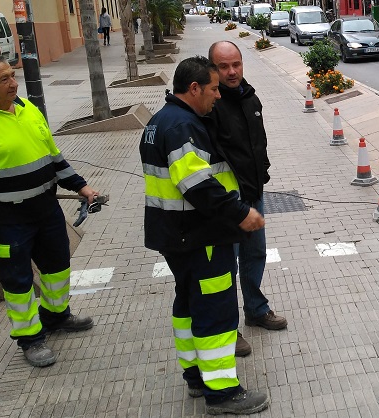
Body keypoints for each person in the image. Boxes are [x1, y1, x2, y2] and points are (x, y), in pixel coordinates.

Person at [139, 56, 269, 415]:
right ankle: (223, 393)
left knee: (188, 304)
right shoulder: (183, 126)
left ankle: (196, 376)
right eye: (213, 88)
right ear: (194, 88)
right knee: (215, 312)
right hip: (201, 237)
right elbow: (197, 184)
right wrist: (241, 213)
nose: (218, 95)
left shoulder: (160, 121)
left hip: (177, 235)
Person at [0, 52, 99, 367]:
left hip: (45, 209)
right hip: (5, 219)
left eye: (12, 75)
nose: (13, 83)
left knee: (57, 266)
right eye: (3, 79)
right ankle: (30, 338)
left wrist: (81, 186)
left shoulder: (27, 108)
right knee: (17, 282)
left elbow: (53, 157)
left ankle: (56, 316)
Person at [207, 41, 288, 358]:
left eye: (236, 64)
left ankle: (255, 309)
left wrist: (262, 173)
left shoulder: (251, 98)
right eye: (223, 66)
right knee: (225, 265)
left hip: (253, 193)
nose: (231, 72)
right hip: (227, 200)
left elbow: (259, 142)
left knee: (255, 254)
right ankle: (227, 327)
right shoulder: (210, 105)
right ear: (213, 69)